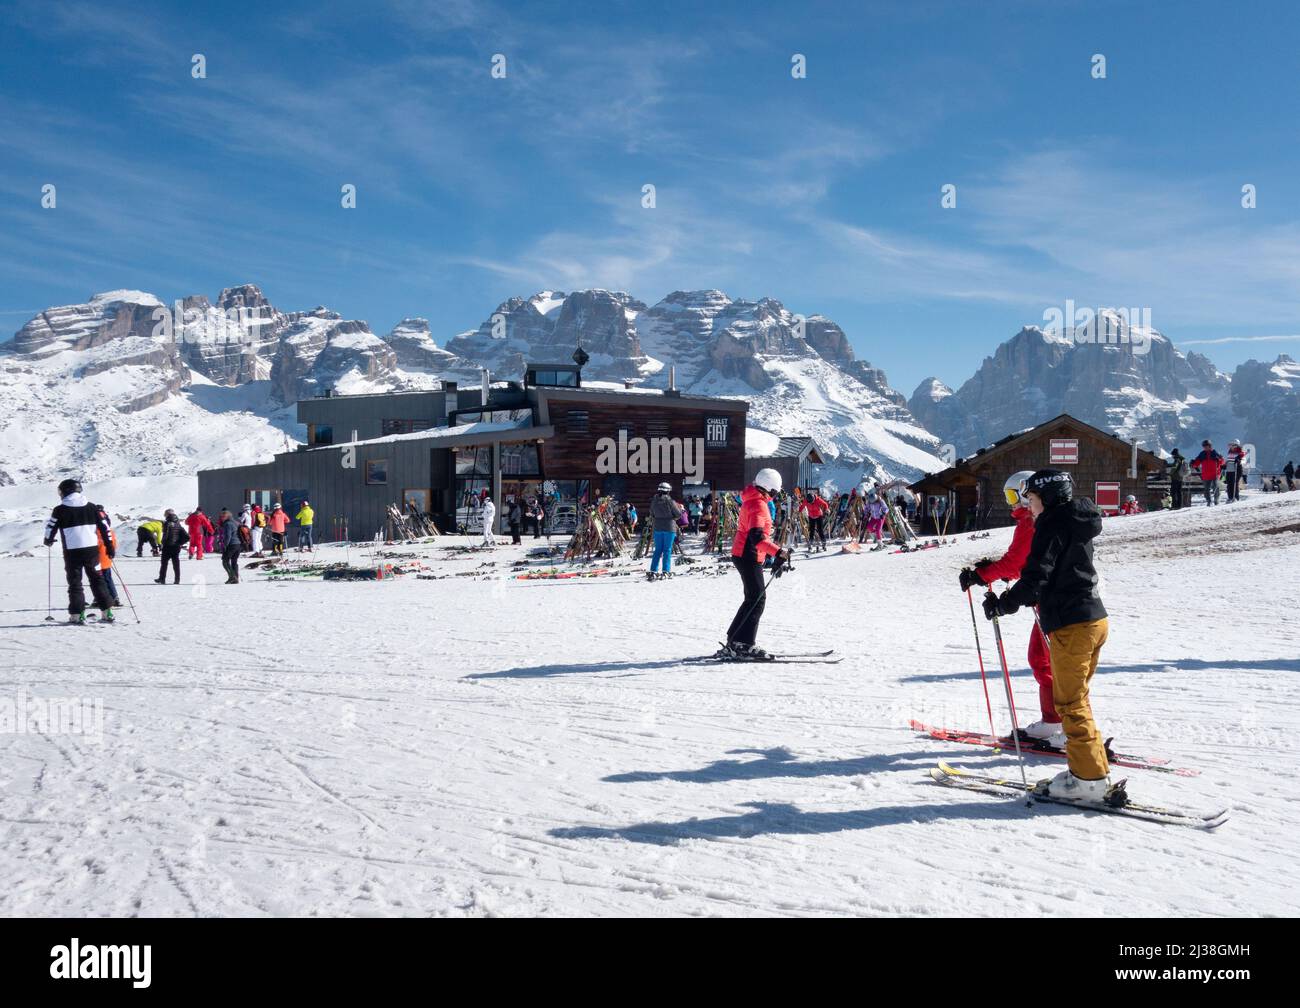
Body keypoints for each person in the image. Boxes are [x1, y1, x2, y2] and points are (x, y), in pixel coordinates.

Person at [982, 469, 1111, 800]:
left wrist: (1004, 603)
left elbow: (1036, 575)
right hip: (1093, 619)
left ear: (1048, 498)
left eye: (1034, 499)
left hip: (1071, 624)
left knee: (1070, 703)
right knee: (1076, 699)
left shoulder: (1051, 524)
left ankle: (1087, 781)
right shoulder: (1076, 520)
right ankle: (1090, 770)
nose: (1030, 506)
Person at [958, 471, 1061, 744]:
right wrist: (992, 571)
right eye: (1007, 497)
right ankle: (1054, 721)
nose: (1011, 503)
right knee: (1046, 660)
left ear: (1027, 494)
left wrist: (982, 576)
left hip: (1054, 603)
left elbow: (1017, 562)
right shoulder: (1037, 521)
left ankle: (1060, 725)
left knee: (1048, 661)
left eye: (1013, 496)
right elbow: (1025, 563)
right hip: (1051, 601)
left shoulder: (1031, 523)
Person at [720, 468, 790, 659]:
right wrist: (779, 552)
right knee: (757, 600)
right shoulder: (758, 505)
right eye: (776, 491)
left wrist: (775, 555)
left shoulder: (753, 500)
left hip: (746, 554)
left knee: (752, 598)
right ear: (770, 488)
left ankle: (735, 639)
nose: (776, 495)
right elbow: (757, 538)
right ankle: (744, 643)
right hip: (747, 554)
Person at [43, 479, 115, 624]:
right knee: (97, 580)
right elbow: (105, 527)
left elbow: (50, 527)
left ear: (65, 491)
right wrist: (109, 546)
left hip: (72, 552)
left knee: (75, 583)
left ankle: (77, 615)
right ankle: (107, 612)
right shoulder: (92, 507)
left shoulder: (60, 509)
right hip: (92, 551)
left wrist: (48, 540)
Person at [647, 482, 685, 580]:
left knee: (658, 550)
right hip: (669, 527)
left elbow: (652, 513)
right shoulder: (670, 501)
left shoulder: (654, 501)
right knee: (667, 550)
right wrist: (680, 510)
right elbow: (678, 514)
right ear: (668, 491)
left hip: (657, 527)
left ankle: (653, 571)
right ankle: (665, 571)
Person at [94, 505, 122, 608]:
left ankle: (109, 598)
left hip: (97, 558)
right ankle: (109, 598)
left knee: (99, 580)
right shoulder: (109, 530)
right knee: (106, 578)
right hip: (107, 557)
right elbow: (113, 544)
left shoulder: (95, 531)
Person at [154, 509, 189, 584]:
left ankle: (162, 579)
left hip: (167, 546)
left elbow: (165, 535)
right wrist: (179, 543)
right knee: (176, 564)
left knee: (164, 564)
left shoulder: (167, 523)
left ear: (167, 515)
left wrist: (162, 543)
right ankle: (177, 580)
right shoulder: (178, 524)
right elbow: (187, 537)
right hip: (176, 547)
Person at [1190, 440, 1223, 506]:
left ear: (1210, 446)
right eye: (1204, 446)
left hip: (1215, 473)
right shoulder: (1202, 454)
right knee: (1206, 489)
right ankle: (1209, 501)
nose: (1205, 448)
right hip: (1206, 474)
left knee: (1215, 487)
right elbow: (1197, 462)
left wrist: (1220, 459)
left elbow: (1222, 462)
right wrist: (1193, 463)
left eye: (1206, 446)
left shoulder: (1215, 453)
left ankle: (1216, 500)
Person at [218, 508, 243, 584]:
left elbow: (228, 536)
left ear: (227, 516)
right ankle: (235, 578)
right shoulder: (235, 522)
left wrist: (224, 545)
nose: (221, 518)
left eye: (223, 517)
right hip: (238, 544)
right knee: (234, 561)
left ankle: (232, 577)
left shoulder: (227, 524)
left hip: (231, 544)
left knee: (225, 561)